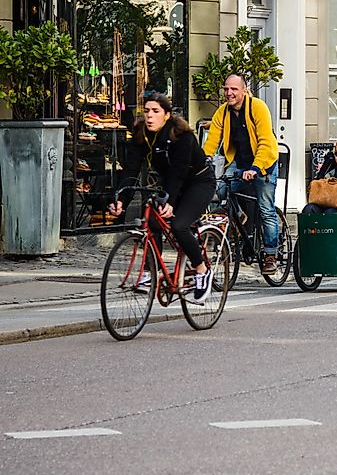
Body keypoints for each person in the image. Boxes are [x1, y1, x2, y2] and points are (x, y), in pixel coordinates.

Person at [109, 94, 216, 304]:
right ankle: (151, 272)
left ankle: (202, 270)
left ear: (166, 115)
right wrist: (121, 198)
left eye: (155, 111)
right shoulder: (141, 134)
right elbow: (131, 170)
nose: (150, 116)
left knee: (179, 225)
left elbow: (179, 172)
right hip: (171, 183)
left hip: (198, 183)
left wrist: (170, 202)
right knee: (151, 222)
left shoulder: (181, 135)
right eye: (146, 111)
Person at [202, 74, 281, 274]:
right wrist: (202, 161)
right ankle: (239, 214)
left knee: (266, 209)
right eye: (226, 89)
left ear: (244, 90)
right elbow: (212, 140)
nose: (229, 93)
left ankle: (271, 254)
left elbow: (265, 141)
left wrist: (255, 169)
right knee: (218, 190)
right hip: (239, 162)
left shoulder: (258, 108)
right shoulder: (223, 112)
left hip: (264, 164)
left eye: (234, 89)